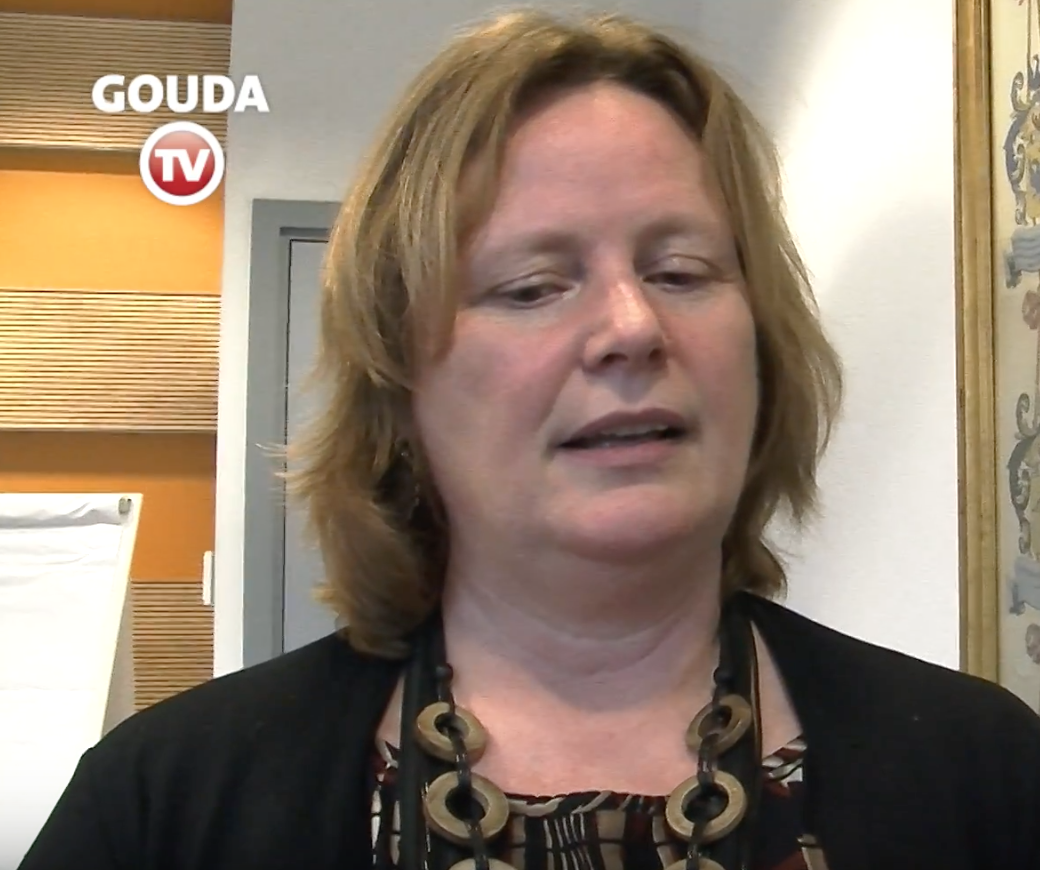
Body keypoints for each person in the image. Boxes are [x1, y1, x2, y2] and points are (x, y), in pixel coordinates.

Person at [17, 9, 1040, 870]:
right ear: (399, 379)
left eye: (680, 271)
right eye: (533, 286)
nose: (632, 327)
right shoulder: (163, 806)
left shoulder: (985, 776)